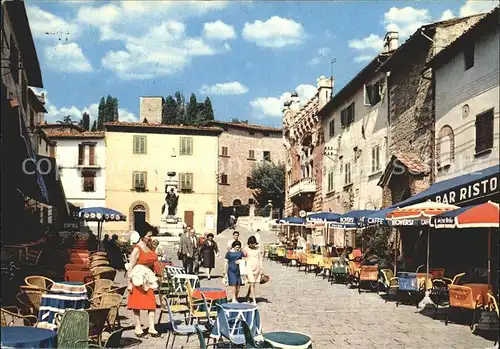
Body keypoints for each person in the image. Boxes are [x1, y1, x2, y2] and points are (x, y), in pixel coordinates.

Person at [126, 229, 162, 338]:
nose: (150, 238)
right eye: (148, 236)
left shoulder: (150, 247)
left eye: (151, 236)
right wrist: (129, 283)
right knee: (136, 304)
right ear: (142, 236)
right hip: (137, 278)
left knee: (151, 304)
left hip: (148, 278)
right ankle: (138, 327)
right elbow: (130, 266)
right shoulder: (137, 249)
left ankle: (152, 327)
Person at [243, 236, 264, 305]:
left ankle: (247, 296)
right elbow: (243, 257)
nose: (253, 245)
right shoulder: (245, 249)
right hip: (249, 267)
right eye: (251, 243)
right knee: (252, 283)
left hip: (256, 267)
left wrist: (261, 268)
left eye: (254, 243)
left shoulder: (258, 249)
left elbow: (260, 259)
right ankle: (254, 300)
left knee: (253, 283)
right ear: (249, 243)